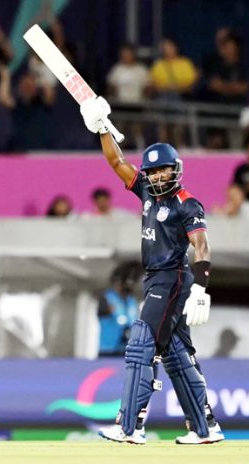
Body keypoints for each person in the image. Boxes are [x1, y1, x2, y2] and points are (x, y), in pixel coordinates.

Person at [80, 96, 224, 445]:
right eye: (154, 171)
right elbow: (116, 160)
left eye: (164, 170)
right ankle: (205, 429)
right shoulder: (145, 189)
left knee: (141, 344)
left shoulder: (187, 203)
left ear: (176, 170)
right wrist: (101, 127)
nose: (158, 176)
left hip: (173, 278)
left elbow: (201, 246)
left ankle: (130, 426)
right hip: (156, 279)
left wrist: (201, 289)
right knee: (176, 355)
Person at [98, 262, 141, 356]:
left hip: (128, 350)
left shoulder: (132, 301)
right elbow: (103, 313)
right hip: (108, 350)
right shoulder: (107, 298)